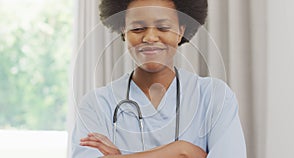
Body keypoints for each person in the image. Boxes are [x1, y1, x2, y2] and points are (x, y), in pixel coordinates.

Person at [71, 0, 247, 157]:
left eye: (163, 28)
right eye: (138, 28)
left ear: (180, 32)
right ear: (124, 31)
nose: (150, 38)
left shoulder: (214, 96)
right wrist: (183, 151)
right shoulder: (96, 104)